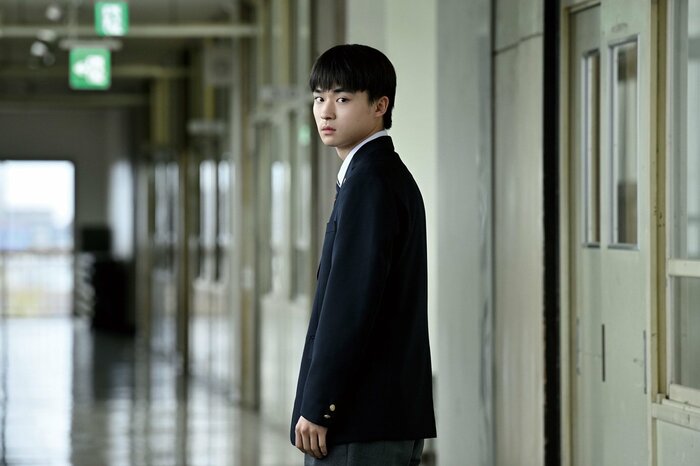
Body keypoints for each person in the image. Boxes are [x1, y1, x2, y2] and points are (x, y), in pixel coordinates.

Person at [290, 44, 436, 466]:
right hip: (382, 416)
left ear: (379, 106)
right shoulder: (378, 175)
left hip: (358, 420)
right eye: (319, 98)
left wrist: (321, 406)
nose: (325, 112)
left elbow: (350, 304)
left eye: (342, 99)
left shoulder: (369, 182)